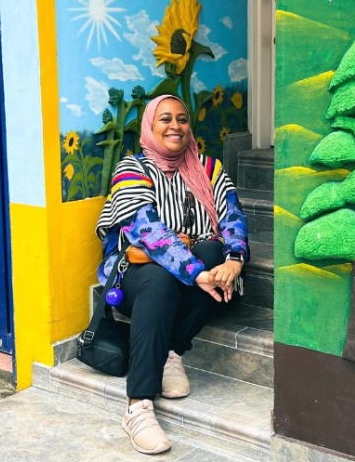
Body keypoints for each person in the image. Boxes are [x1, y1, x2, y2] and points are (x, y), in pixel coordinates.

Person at [95, 94, 249, 456]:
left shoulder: (208, 168)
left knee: (215, 254)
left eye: (182, 119)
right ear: (150, 126)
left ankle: (171, 351)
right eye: (165, 119)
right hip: (136, 272)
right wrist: (196, 272)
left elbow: (232, 218)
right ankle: (138, 405)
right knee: (163, 279)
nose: (175, 126)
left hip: (190, 266)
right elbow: (147, 231)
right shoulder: (132, 168)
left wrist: (234, 260)